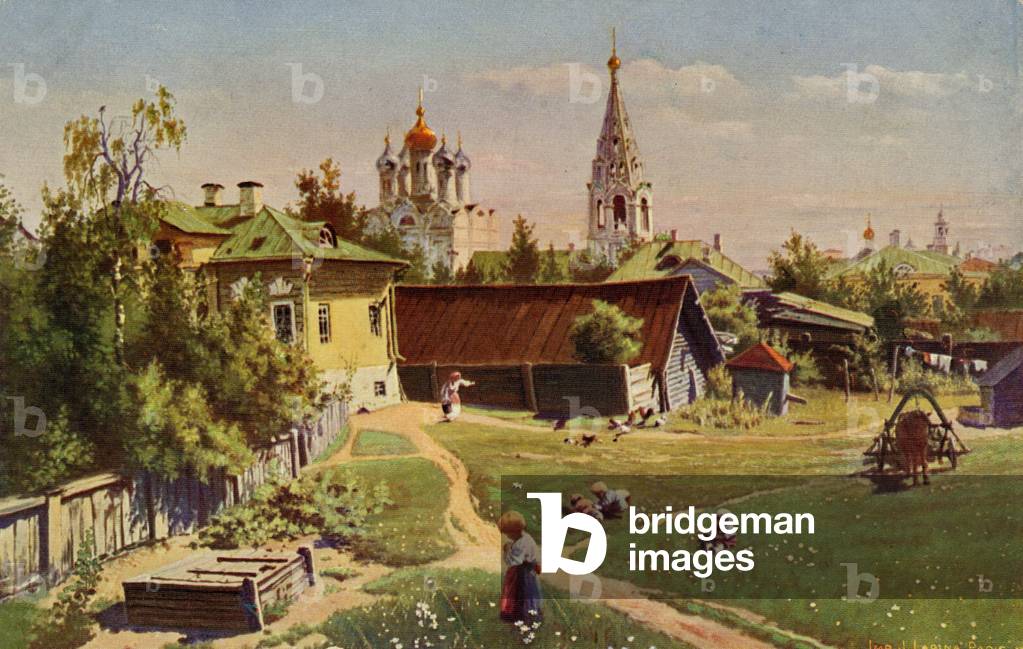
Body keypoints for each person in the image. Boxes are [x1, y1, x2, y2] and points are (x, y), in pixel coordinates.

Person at [498, 511, 543, 623]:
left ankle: (520, 615)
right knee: (531, 593)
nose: (507, 536)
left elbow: (514, 561)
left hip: (521, 573)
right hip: (529, 571)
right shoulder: (528, 538)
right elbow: (536, 555)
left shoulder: (520, 544)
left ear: (513, 531)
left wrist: (507, 550)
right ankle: (530, 612)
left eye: (508, 533)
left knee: (520, 592)